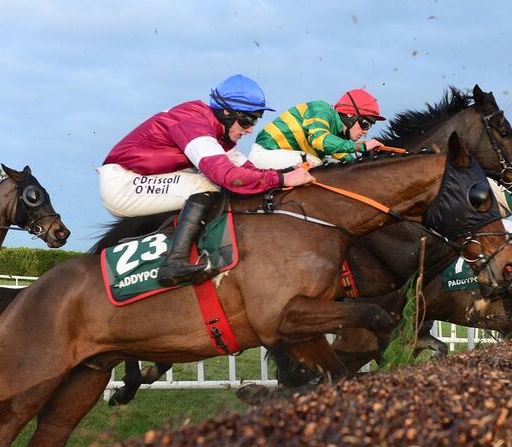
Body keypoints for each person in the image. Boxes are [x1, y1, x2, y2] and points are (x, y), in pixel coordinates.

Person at [98, 74, 314, 287]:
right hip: (123, 184)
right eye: (247, 120)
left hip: (142, 179)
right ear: (227, 112)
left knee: (219, 184)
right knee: (206, 185)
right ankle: (174, 263)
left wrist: (286, 172)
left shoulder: (216, 133)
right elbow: (229, 177)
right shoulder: (193, 124)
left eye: (255, 120)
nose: (250, 129)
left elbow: (249, 171)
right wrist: (282, 178)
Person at [249, 88, 386, 169]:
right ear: (351, 115)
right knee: (318, 165)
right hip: (266, 153)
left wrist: (367, 161)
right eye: (365, 124)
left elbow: (348, 162)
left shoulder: (338, 134)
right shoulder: (321, 109)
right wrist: (360, 147)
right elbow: (319, 140)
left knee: (335, 168)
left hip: (285, 156)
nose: (366, 131)